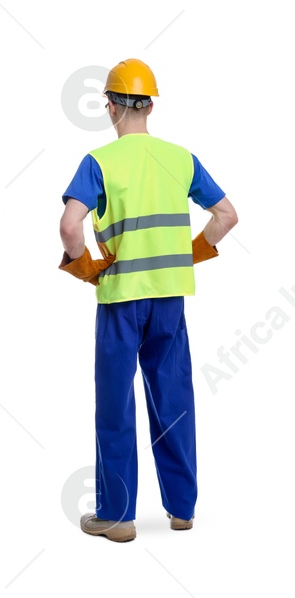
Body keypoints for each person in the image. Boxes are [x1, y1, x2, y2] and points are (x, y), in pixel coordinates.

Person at [57, 58, 237, 543]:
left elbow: (70, 227)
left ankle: (117, 516)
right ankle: (182, 509)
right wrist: (186, 256)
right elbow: (226, 216)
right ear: (151, 105)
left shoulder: (99, 161)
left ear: (110, 106)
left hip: (120, 303)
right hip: (169, 302)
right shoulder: (181, 158)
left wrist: (85, 266)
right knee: (174, 399)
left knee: (115, 406)